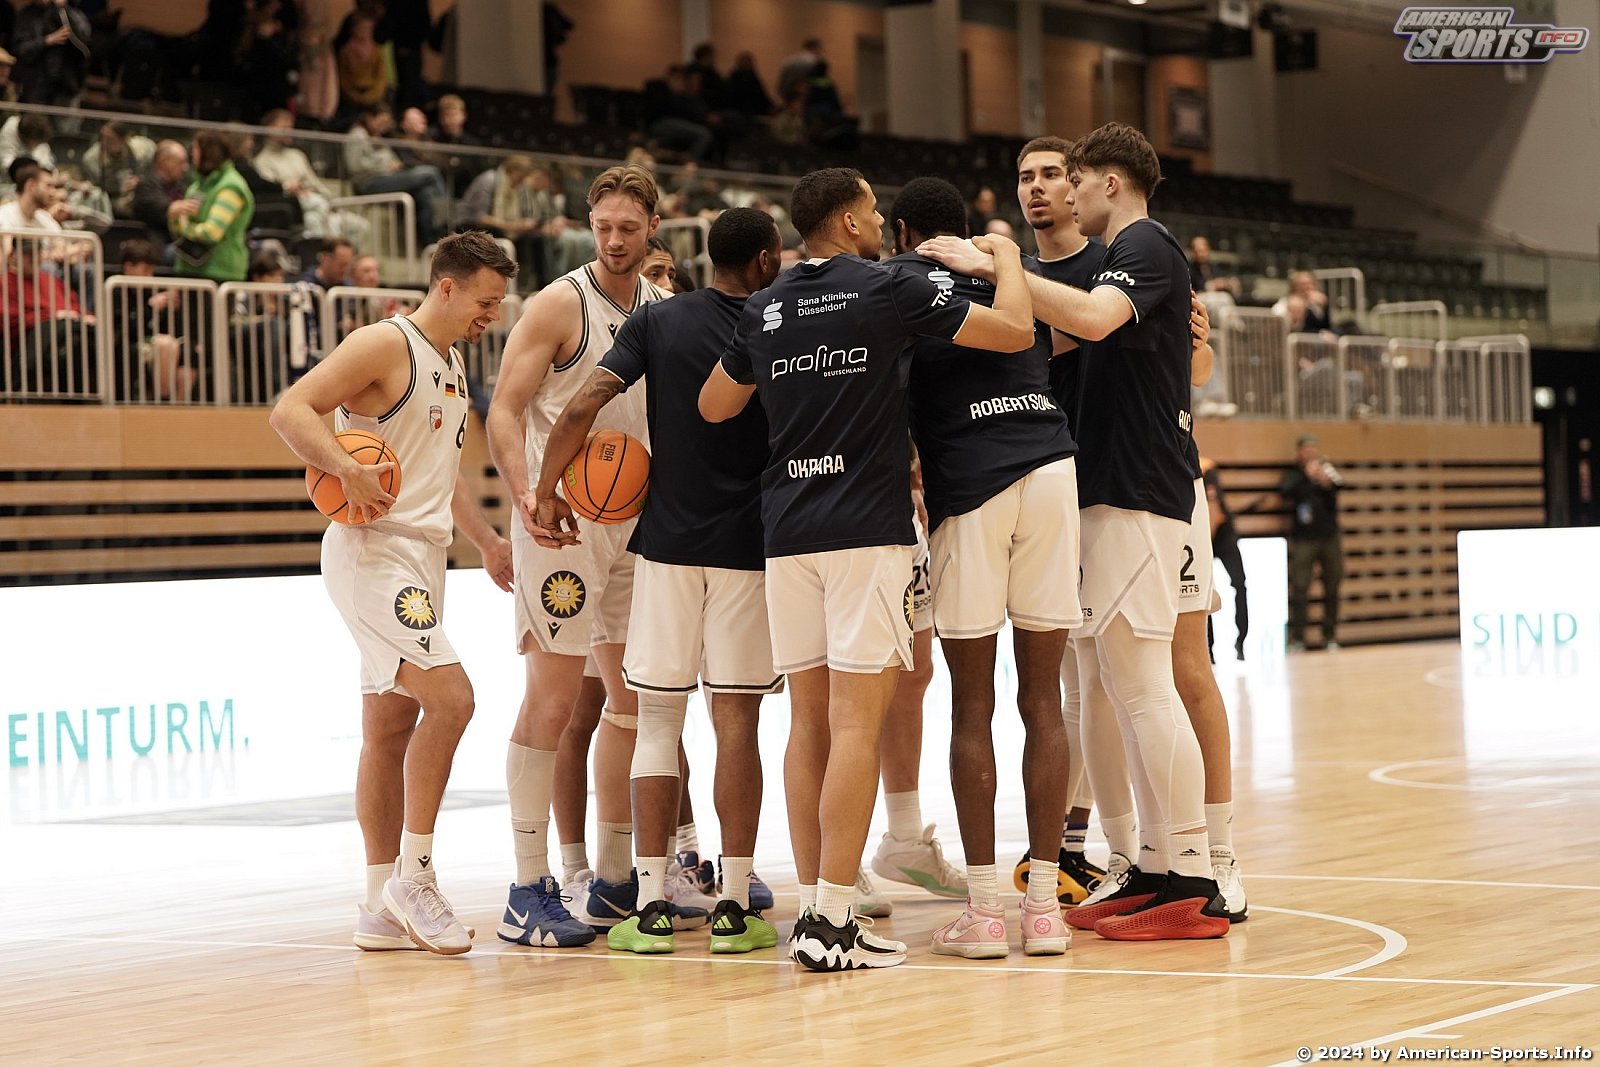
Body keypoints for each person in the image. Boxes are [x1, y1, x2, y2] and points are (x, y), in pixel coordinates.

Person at [698, 166, 1035, 972]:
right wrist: (1005, 257)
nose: (883, 223)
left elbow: (714, 404)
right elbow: (1016, 330)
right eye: (874, 211)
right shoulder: (887, 287)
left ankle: (820, 904)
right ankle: (833, 918)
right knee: (856, 723)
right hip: (865, 532)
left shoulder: (764, 306)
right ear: (849, 221)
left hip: (787, 530)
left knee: (807, 723)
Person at [922, 124, 1231, 941]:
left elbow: (1094, 320)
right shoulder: (1123, 256)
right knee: (1118, 688)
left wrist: (998, 264)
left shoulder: (1145, 246)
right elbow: (1058, 334)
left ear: (1106, 183)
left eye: (1074, 178)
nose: (1061, 191)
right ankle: (1155, 862)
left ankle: (1197, 874)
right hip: (1101, 488)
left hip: (1138, 485)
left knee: (1149, 682)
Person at [529, 207, 785, 955]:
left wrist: (546, 490)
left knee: (655, 723)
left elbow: (582, 403)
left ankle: (647, 906)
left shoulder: (657, 320)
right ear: (766, 260)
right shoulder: (777, 321)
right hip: (747, 548)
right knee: (737, 726)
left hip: (666, 547)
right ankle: (732, 901)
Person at [268, 230, 518, 956]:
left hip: (423, 556)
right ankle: (415, 874)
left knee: (386, 730)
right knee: (454, 699)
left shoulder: (453, 361)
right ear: (446, 286)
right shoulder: (385, 343)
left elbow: (445, 471)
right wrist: (344, 468)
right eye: (485, 301)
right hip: (372, 553)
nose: (492, 315)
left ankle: (379, 901)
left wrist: (487, 541)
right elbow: (291, 410)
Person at [486, 163, 689, 949]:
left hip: (639, 521)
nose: (613, 239)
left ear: (652, 227)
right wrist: (527, 494)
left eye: (628, 228)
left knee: (635, 701)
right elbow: (505, 410)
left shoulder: (664, 308)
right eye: (602, 226)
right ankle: (526, 885)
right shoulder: (557, 304)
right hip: (563, 519)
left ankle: (612, 878)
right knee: (553, 699)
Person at [884, 176, 1079, 959]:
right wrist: (1001, 252)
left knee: (972, 703)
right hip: (1054, 467)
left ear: (902, 231)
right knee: (1044, 698)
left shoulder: (897, 281)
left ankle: (987, 913)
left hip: (972, 485)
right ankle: (1046, 910)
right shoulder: (1010, 273)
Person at [344, 104, 447, 244]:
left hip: (389, 177)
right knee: (430, 173)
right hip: (370, 182)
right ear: (369, 118)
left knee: (426, 192)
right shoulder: (358, 135)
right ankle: (446, 218)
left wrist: (393, 165)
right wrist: (385, 166)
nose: (384, 127)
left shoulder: (379, 137)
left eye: (386, 123)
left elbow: (393, 160)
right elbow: (356, 166)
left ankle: (434, 239)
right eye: (381, 122)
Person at [1282, 433, 1344, 651]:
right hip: (1304, 539)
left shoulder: (1326, 469)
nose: (1311, 452)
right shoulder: (1294, 474)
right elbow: (1286, 492)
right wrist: (1307, 478)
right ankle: (1299, 637)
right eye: (1306, 448)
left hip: (1329, 536)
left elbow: (1340, 487)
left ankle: (1330, 635)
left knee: (1332, 585)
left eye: (1313, 447)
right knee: (1300, 587)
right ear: (1299, 451)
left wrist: (1325, 483)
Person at [169, 130, 254, 284]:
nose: (192, 154)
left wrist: (186, 228)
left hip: (220, 272)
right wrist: (174, 215)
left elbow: (212, 232)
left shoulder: (231, 186)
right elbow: (179, 230)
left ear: (208, 152)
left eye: (196, 149)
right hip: (187, 268)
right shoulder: (196, 186)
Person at [108, 237, 185, 401]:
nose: (149, 276)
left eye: (151, 271)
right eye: (145, 270)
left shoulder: (150, 290)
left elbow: (163, 328)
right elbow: (123, 329)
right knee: (166, 344)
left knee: (188, 349)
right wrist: (150, 308)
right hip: (127, 345)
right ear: (128, 267)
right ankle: (163, 400)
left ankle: (181, 403)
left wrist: (170, 310)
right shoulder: (114, 290)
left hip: (151, 342)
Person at [1201, 456, 1248, 662]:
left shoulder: (1207, 468)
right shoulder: (1194, 465)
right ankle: (1209, 648)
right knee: (1204, 592)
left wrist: (1207, 542)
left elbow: (1213, 508)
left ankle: (1240, 643)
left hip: (1221, 535)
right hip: (1205, 535)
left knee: (1239, 584)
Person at [12, 0, 91, 108]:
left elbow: (84, 46)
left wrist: (61, 10)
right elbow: (21, 50)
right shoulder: (26, 15)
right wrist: (46, 41)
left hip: (66, 86)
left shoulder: (73, 13)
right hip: (36, 87)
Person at [81, 121, 155, 217]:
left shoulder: (143, 150)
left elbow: (155, 174)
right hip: (108, 200)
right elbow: (95, 191)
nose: (105, 143)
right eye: (103, 138)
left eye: (110, 140)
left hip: (136, 195)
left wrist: (140, 181)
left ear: (124, 139)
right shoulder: (91, 160)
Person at [126, 140, 189, 237]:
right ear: (164, 161)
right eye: (181, 162)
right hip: (154, 241)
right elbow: (165, 209)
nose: (185, 168)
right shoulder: (146, 187)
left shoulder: (180, 187)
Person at [777, 38, 822, 103]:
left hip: (786, 91)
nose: (819, 51)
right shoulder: (813, 60)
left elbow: (783, 78)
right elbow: (816, 81)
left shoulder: (791, 59)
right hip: (802, 94)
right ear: (814, 47)